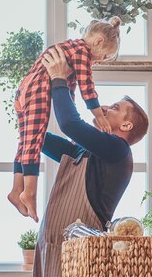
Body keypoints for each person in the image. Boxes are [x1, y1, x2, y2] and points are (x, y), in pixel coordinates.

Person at [31, 45, 149, 277]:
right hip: (51, 248)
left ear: (126, 127)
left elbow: (70, 124)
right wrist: (30, 108)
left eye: (115, 109)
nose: (104, 107)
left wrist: (59, 79)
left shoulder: (118, 150)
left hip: (80, 256)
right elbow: (39, 139)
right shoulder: (84, 151)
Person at [7, 17, 122, 223]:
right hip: (37, 88)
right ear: (98, 42)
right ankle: (30, 192)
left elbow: (70, 92)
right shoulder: (81, 52)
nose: (100, 61)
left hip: (25, 88)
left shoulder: (69, 50)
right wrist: (97, 114)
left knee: (27, 141)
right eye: (104, 56)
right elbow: (87, 86)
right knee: (33, 139)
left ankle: (17, 189)